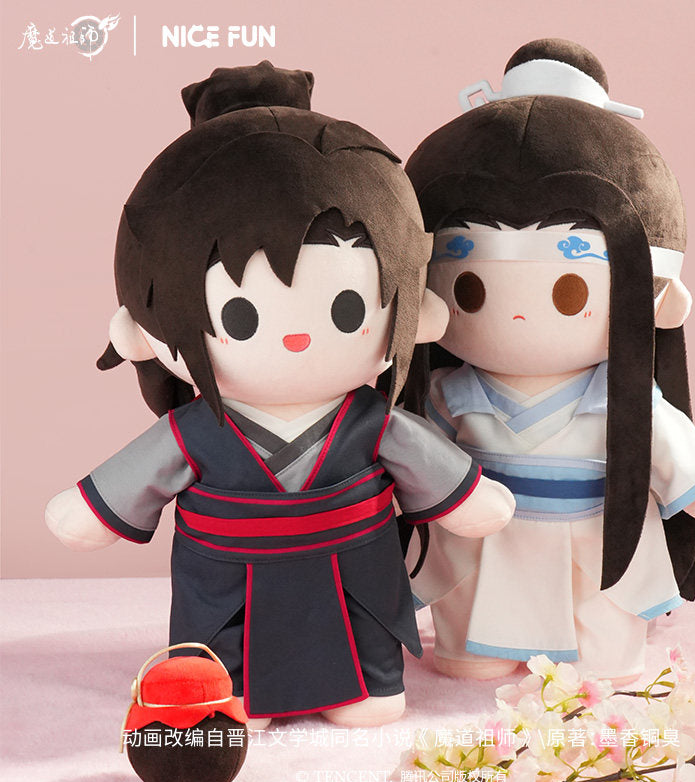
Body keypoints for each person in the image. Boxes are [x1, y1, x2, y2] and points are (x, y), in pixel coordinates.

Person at [45, 60, 514, 726]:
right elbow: (114, 495)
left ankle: (365, 686)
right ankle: (232, 693)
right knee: (225, 675)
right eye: (239, 317)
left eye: (348, 310)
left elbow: (454, 489)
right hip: (228, 593)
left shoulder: (372, 423)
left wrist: (474, 500)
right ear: (143, 332)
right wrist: (86, 512)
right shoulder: (194, 432)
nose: (295, 338)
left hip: (355, 583)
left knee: (364, 660)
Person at [403, 39, 695, 683]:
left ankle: (601, 656)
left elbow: (670, 445)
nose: (516, 317)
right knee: (475, 619)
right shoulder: (450, 394)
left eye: (570, 291)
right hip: (486, 542)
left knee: (603, 638)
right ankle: (477, 649)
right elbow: (413, 452)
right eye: (469, 289)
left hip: (597, 537)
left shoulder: (622, 400)